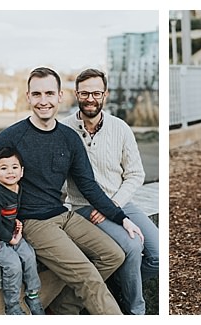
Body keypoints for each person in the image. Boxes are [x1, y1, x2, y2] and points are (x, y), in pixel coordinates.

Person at [0, 66, 144, 315]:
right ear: (28, 97)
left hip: (64, 215)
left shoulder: (69, 138)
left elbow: (89, 187)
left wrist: (121, 218)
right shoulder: (13, 136)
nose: (43, 101)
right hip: (34, 223)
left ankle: (61, 310)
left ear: (60, 96)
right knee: (88, 276)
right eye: (37, 94)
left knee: (113, 254)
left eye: (49, 93)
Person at [60, 68, 159, 315]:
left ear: (106, 94)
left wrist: (113, 205)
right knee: (134, 245)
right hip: (85, 207)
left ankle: (116, 286)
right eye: (84, 93)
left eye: (96, 93)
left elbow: (136, 174)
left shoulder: (120, 128)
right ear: (76, 94)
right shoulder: (64, 130)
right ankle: (135, 310)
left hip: (120, 203)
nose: (90, 99)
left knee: (158, 254)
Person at [0, 147, 45, 315]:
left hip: (12, 233)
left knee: (29, 255)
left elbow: (10, 213)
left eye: (14, 167)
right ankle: (12, 307)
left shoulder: (18, 187)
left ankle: (32, 295)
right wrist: (10, 239)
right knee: (13, 265)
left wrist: (14, 223)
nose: (10, 172)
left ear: (22, 171)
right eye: (4, 168)